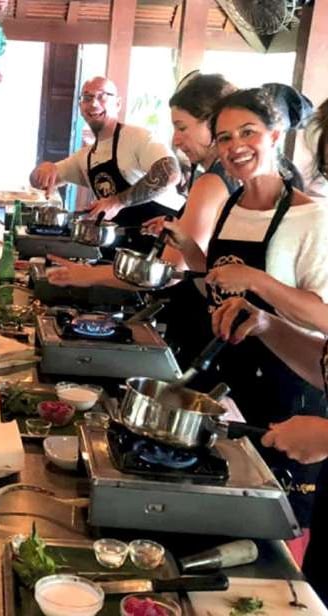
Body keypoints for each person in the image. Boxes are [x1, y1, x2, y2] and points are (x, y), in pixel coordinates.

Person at [155, 88, 328, 529]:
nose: (236, 146)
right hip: (228, 371)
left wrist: (257, 281)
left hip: (285, 384)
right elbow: (218, 278)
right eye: (225, 137)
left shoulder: (310, 217)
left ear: (275, 135)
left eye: (248, 132)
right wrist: (187, 246)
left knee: (273, 520)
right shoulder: (233, 203)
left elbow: (323, 317)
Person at [46, 73, 238, 362]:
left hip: (203, 322)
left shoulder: (210, 182)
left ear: (212, 123)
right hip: (213, 318)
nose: (176, 140)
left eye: (182, 127)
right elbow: (203, 263)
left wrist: (85, 275)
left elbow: (168, 271)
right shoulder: (218, 177)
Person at [29, 75, 184, 254]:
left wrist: (117, 202)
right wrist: (44, 169)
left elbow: (170, 173)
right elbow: (37, 181)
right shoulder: (84, 157)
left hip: (165, 244)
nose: (94, 104)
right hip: (121, 250)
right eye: (87, 98)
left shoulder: (138, 137)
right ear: (81, 106)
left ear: (117, 104)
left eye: (102, 96)